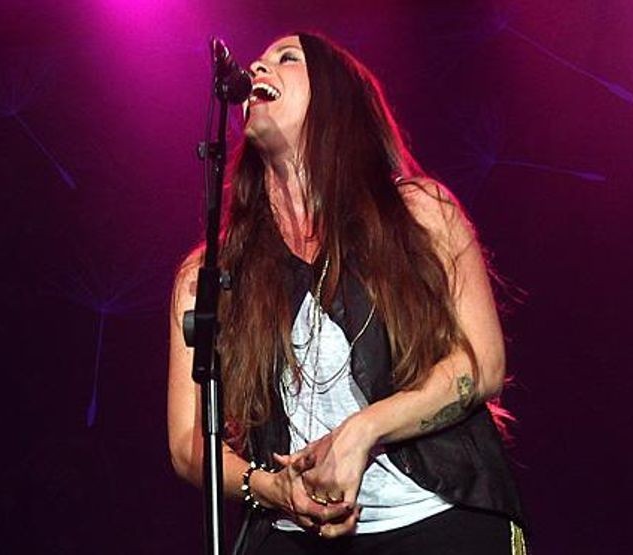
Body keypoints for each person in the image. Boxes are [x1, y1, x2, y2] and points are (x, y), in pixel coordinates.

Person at [168, 32, 526, 554]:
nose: (259, 68)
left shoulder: (419, 214)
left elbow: (482, 363)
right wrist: (269, 487)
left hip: (433, 519)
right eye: (258, 62)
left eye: (287, 59)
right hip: (293, 531)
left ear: (336, 98)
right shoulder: (210, 273)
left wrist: (364, 431)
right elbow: (187, 442)